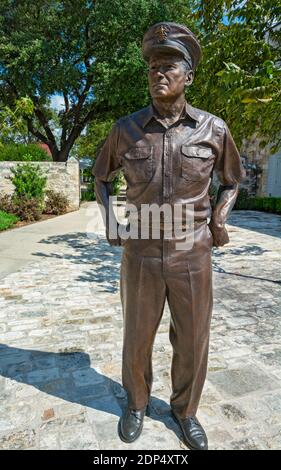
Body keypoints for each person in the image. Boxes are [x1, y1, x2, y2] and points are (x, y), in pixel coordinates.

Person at [92, 22, 245, 450]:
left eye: (170, 66)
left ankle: (185, 411)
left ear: (188, 76)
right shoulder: (126, 129)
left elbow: (232, 181)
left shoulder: (213, 130)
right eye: (153, 67)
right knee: (137, 335)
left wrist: (219, 218)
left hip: (192, 250)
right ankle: (136, 404)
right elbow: (100, 179)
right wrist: (110, 221)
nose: (159, 73)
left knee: (193, 337)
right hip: (140, 248)